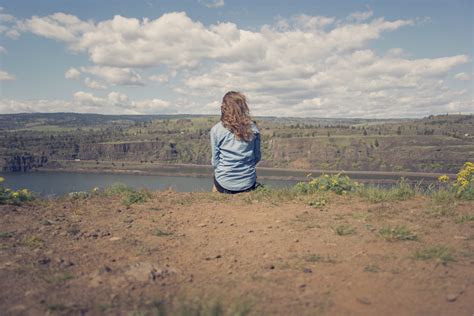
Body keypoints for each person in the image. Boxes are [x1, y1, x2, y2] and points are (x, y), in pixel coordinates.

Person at [210, 91, 261, 194]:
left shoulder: (216, 130)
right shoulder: (253, 129)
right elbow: (257, 157)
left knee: (217, 184)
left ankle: (214, 204)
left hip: (223, 183)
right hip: (248, 183)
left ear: (224, 108)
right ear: (243, 108)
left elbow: (215, 162)